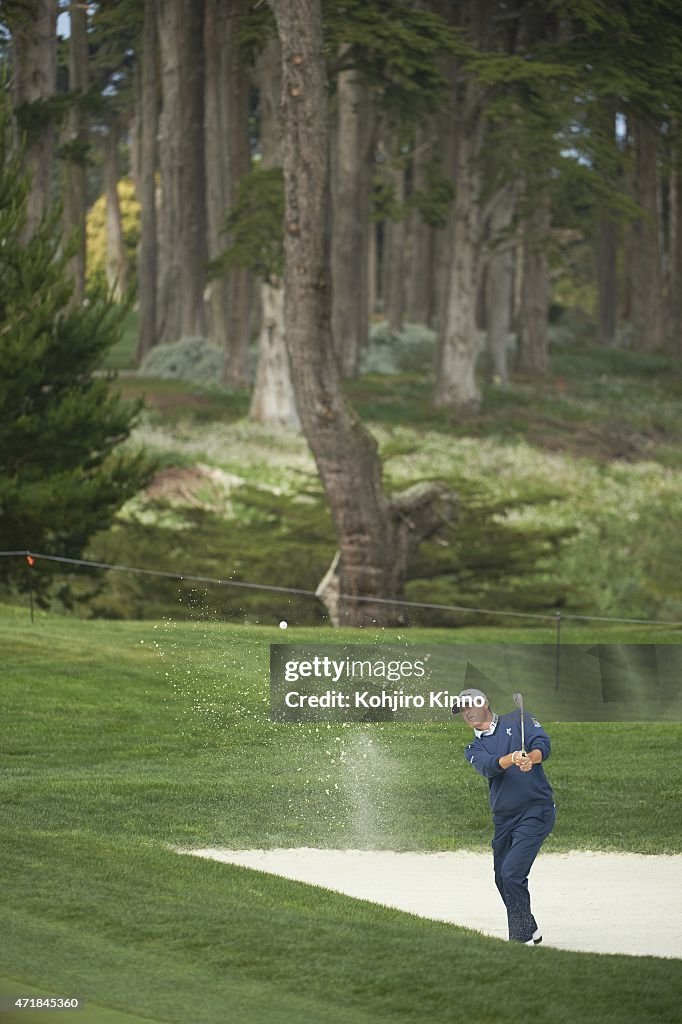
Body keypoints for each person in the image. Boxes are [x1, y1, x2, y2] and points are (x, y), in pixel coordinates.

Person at [453, 687, 555, 945]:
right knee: (501, 876)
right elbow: (489, 767)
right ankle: (529, 927)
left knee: (511, 872)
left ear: (484, 702)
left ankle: (519, 939)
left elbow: (542, 743)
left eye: (470, 705)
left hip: (535, 809)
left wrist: (531, 758)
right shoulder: (473, 747)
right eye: (461, 709)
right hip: (504, 818)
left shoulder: (517, 719)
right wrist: (511, 758)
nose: (466, 712)